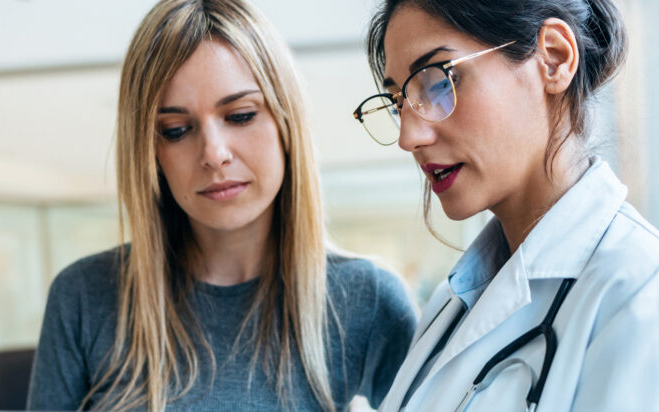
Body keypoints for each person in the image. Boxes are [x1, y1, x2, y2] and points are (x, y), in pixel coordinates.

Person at [351, 0, 659, 411]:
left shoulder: (650, 297)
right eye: (399, 101)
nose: (409, 136)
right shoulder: (449, 305)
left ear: (554, 58)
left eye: (438, 82)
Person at [26, 0, 417, 410]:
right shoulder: (84, 298)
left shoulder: (367, 299)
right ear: (149, 150)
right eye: (176, 130)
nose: (214, 154)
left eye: (241, 115)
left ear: (287, 123)